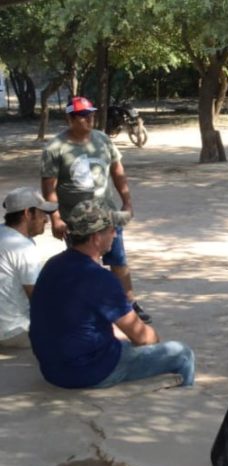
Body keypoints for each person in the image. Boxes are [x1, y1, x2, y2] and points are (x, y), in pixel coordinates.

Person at [29, 200, 195, 389]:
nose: (115, 234)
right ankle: (186, 395)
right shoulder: (100, 279)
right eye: (111, 230)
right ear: (95, 238)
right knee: (182, 353)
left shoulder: (53, 264)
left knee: (121, 340)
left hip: (52, 369)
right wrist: (153, 341)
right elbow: (144, 338)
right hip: (88, 371)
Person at [40, 96, 151, 323]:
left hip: (107, 214)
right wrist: (56, 218)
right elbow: (48, 186)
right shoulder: (55, 147)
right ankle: (90, 307)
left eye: (90, 114)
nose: (88, 119)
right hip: (76, 219)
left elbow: (117, 171)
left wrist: (127, 201)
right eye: (82, 116)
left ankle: (128, 303)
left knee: (118, 259)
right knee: (85, 265)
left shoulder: (102, 140)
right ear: (69, 118)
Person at [1, 188, 57, 349]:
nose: (46, 220)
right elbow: (38, 298)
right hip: (13, 331)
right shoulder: (22, 247)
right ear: (27, 213)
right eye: (42, 214)